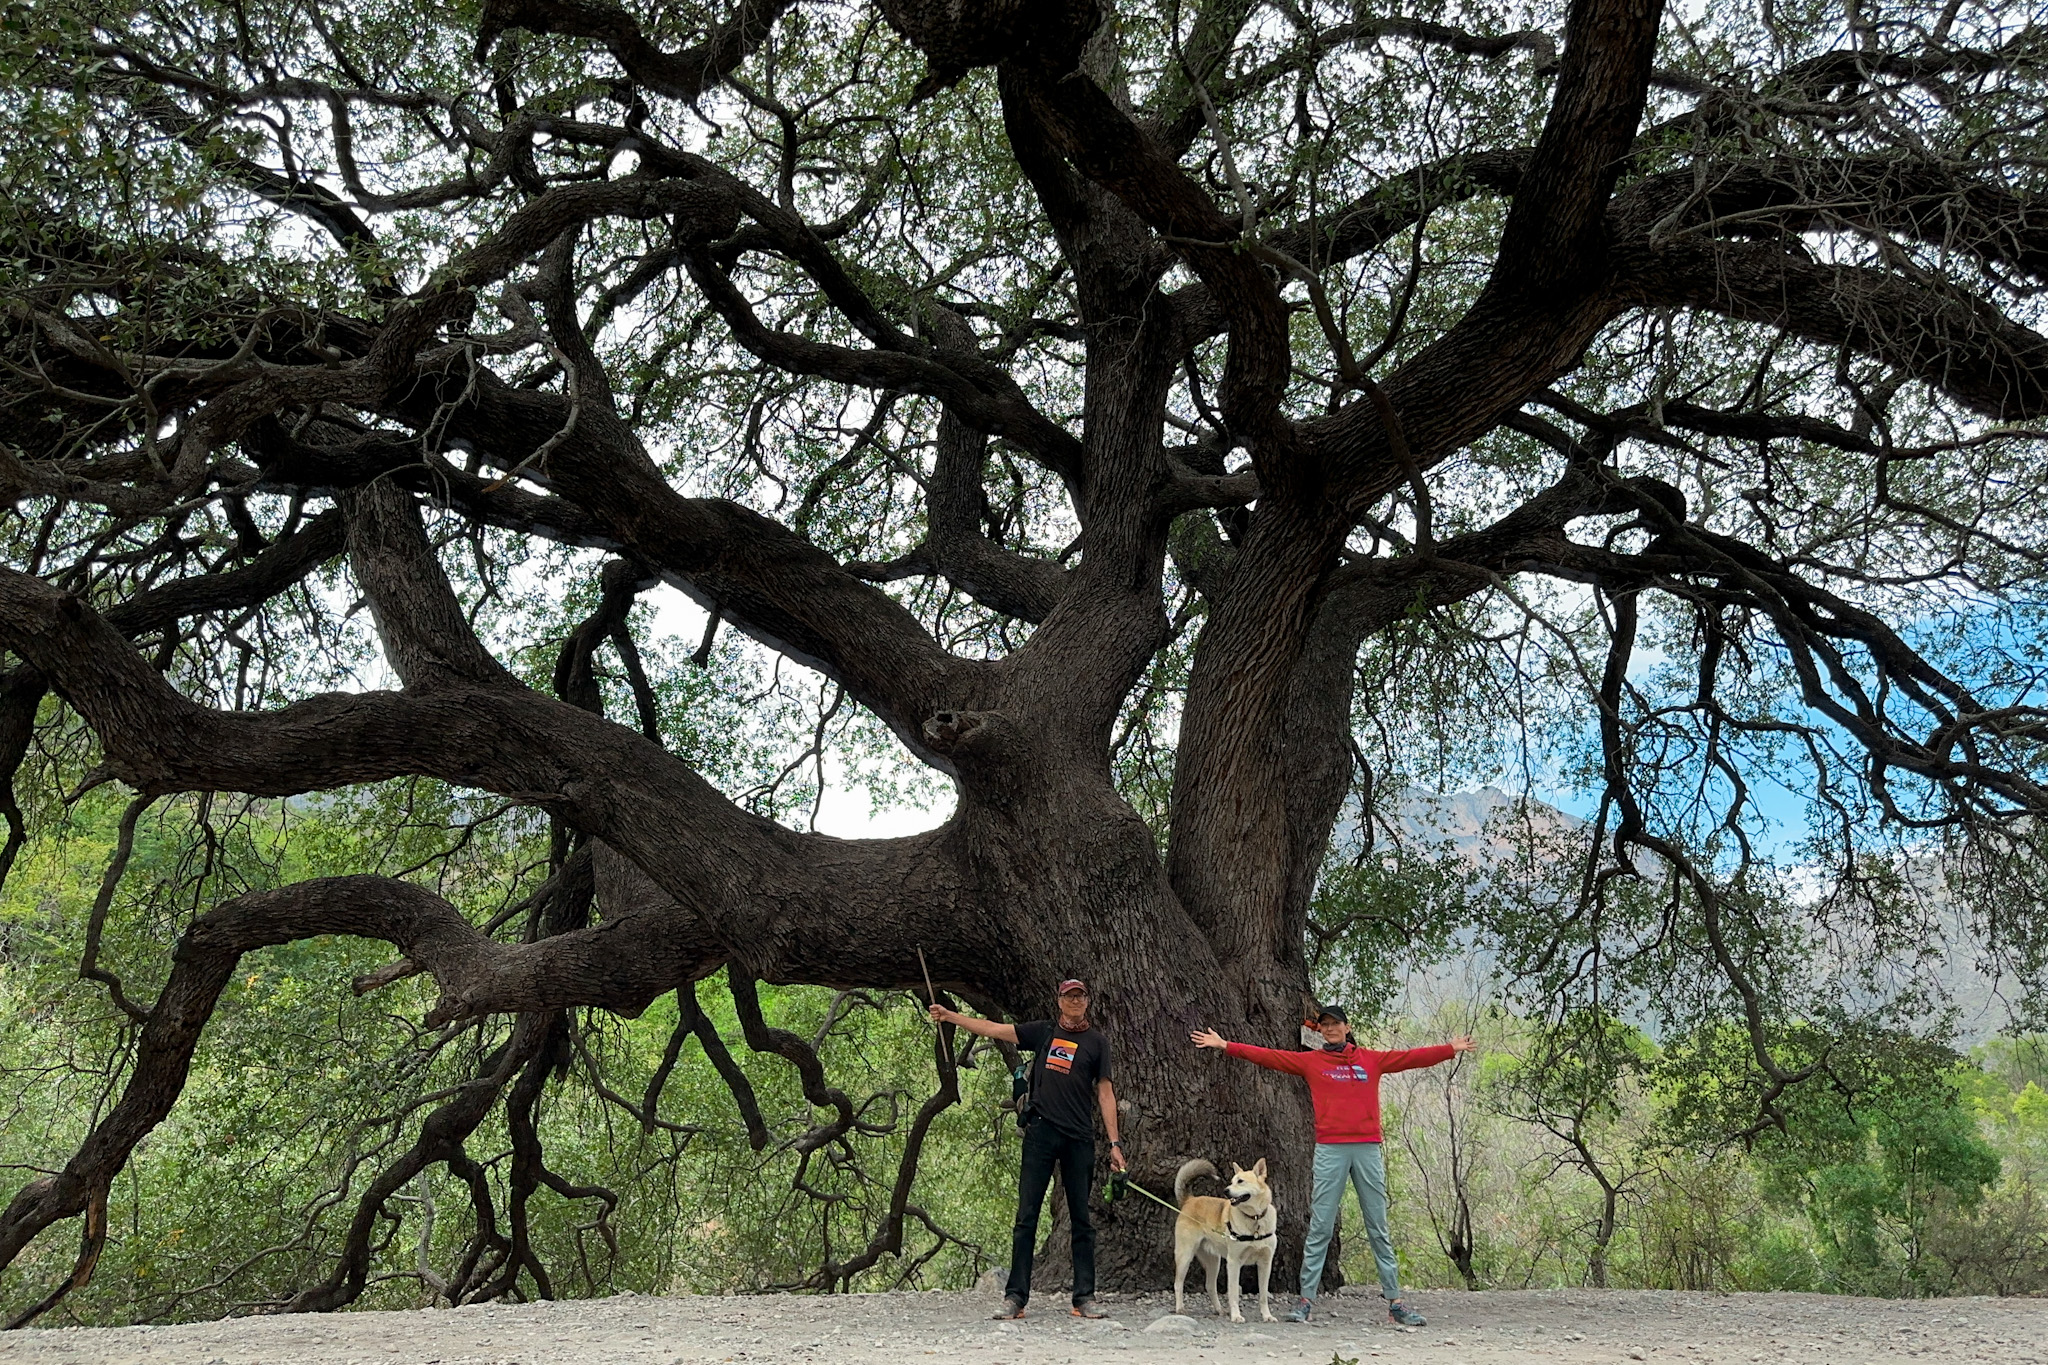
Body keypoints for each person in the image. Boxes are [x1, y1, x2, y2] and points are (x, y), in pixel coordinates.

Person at [1191, 1006, 1475, 1327]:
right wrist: (1226, 1045)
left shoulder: (1370, 1060)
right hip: (1330, 1150)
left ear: (1346, 1027)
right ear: (1321, 1031)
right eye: (1325, 1025)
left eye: (1335, 1024)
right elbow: (1269, 1056)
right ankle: (1305, 1301)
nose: (1330, 1029)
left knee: (1378, 1225)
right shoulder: (1311, 1061)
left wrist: (1450, 1049)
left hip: (1367, 1149)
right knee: (1321, 1226)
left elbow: (1410, 1058)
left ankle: (1395, 1302)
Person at [930, 979, 1125, 1320]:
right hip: (1040, 1134)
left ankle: (1084, 1298)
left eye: (1080, 996)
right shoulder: (1043, 1032)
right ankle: (1015, 1297)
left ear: (1088, 1002)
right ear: (1059, 1000)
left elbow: (1105, 1093)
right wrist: (951, 1016)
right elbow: (994, 1028)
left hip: (1079, 1138)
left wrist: (1115, 1143)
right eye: (1069, 996)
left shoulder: (1097, 1043)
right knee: (1026, 1218)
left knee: (1082, 1220)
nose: (1075, 1001)